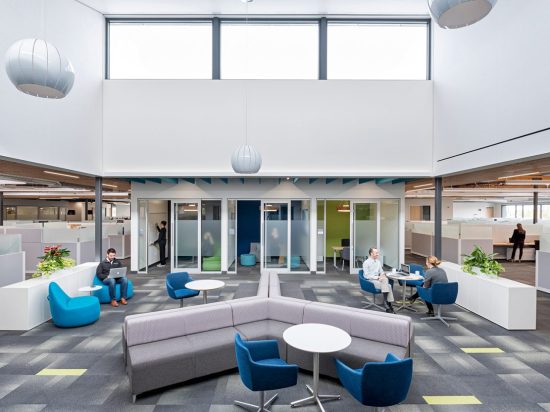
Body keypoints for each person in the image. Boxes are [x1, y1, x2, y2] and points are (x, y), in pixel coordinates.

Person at [362, 247, 395, 313]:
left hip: (379, 280)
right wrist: (377, 277)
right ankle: (388, 303)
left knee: (386, 282)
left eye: (378, 253)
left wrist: (383, 275)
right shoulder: (366, 262)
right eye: (376, 253)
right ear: (371, 253)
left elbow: (381, 271)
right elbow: (366, 275)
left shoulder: (378, 262)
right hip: (370, 281)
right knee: (388, 285)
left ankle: (388, 303)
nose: (378, 254)